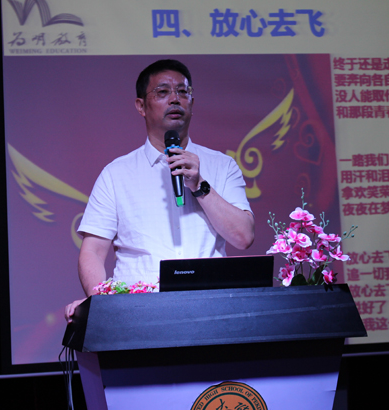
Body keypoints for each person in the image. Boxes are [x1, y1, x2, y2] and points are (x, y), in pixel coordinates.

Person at [65, 59, 255, 321]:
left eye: (182, 91)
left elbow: (243, 237)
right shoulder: (116, 174)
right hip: (137, 314)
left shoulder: (222, 166)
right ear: (141, 106)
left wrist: (199, 185)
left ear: (192, 102)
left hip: (211, 311)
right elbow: (93, 252)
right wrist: (99, 304)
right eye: (163, 92)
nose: (175, 99)